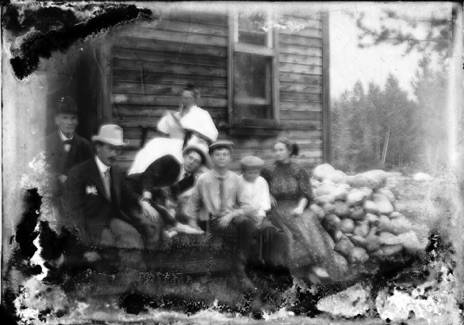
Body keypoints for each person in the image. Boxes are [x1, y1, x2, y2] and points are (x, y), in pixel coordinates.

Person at [62, 124, 157, 252]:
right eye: (111, 149)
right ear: (98, 147)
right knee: (110, 248)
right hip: (89, 226)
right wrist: (85, 247)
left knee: (133, 239)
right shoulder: (80, 173)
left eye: (118, 150)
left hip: (113, 220)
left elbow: (128, 194)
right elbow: (72, 212)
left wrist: (144, 202)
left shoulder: (116, 173)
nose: (115, 154)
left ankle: (133, 272)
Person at [260, 138, 338, 283]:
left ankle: (319, 262)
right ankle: (306, 265)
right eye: (275, 150)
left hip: (297, 205)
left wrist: (300, 208)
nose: (277, 153)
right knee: (296, 225)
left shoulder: (298, 170)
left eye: (281, 150)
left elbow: (305, 194)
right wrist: (268, 195)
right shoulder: (268, 170)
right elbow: (260, 186)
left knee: (309, 219)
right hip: (278, 207)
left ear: (289, 151)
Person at [185, 140, 257, 288]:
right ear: (211, 157)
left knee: (249, 226)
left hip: (232, 216)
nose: (222, 157)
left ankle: (239, 265)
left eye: (225, 154)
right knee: (244, 236)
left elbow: (247, 205)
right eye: (218, 154)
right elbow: (193, 203)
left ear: (230, 158)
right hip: (215, 219)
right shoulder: (204, 179)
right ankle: (239, 272)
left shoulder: (236, 179)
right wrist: (192, 224)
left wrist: (231, 215)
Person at [125, 135, 210, 243]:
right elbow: (149, 175)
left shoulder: (191, 180)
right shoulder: (169, 161)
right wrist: (147, 198)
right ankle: (172, 229)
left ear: (199, 166)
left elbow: (172, 192)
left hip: (152, 201)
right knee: (149, 221)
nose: (192, 162)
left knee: (163, 215)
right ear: (185, 157)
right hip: (134, 187)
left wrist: (169, 202)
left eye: (196, 161)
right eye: (190, 158)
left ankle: (169, 231)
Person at [46, 96, 93, 195]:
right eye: (65, 118)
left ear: (77, 121)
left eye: (73, 118)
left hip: (77, 201)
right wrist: (58, 177)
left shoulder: (85, 145)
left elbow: (92, 175)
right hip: (53, 198)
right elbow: (39, 172)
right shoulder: (46, 143)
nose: (69, 122)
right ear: (57, 120)